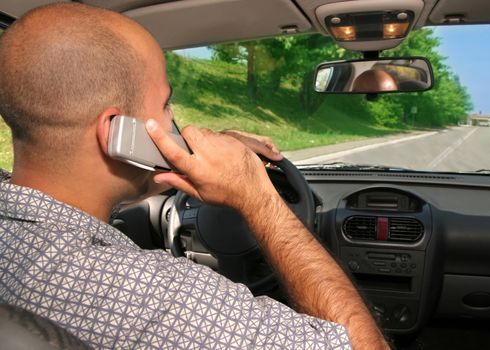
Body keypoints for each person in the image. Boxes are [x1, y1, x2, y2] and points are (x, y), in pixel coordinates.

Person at [0, 3, 389, 349]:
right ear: (118, 134)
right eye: (167, 103)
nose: (174, 120)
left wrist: (197, 149)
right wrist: (257, 197)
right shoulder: (149, 299)